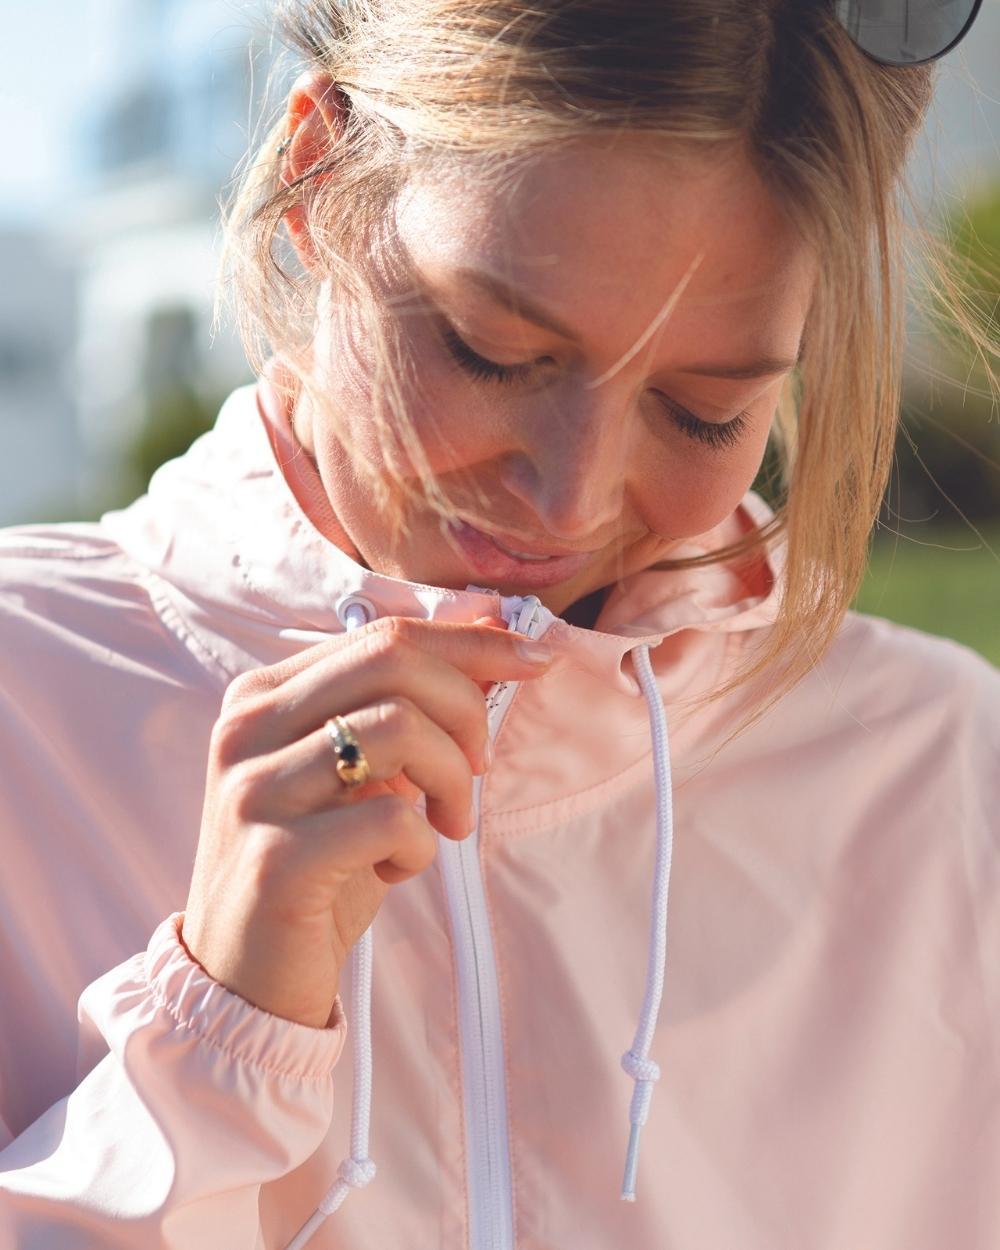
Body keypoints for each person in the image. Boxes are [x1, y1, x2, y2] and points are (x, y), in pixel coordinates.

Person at [0, 2, 996, 1247]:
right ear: (318, 172)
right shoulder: (20, 705)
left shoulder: (944, 769)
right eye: (492, 350)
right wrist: (214, 1041)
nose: (568, 497)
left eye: (701, 410)